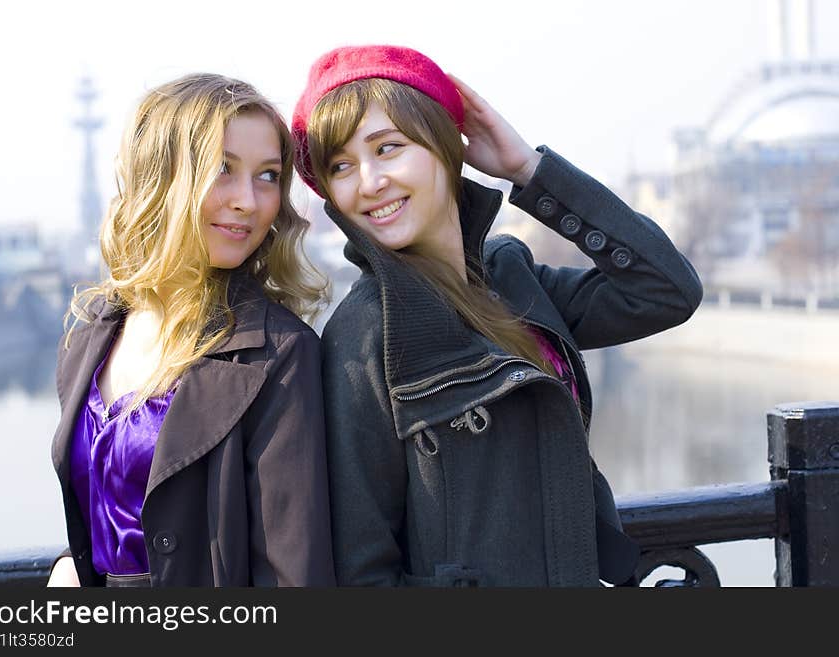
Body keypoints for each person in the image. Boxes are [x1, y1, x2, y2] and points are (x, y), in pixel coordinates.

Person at [291, 45, 703, 587]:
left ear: (443, 147)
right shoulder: (367, 331)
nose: (368, 183)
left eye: (387, 148)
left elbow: (666, 290)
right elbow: (363, 572)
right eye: (340, 166)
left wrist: (529, 170)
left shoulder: (511, 276)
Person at [47, 73, 335, 587]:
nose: (249, 200)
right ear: (161, 177)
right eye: (222, 169)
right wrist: (72, 570)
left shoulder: (278, 354)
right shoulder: (91, 339)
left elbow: (295, 578)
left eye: (268, 175)